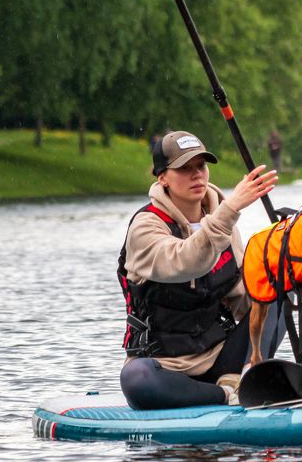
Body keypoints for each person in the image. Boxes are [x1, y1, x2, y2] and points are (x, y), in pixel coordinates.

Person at [117, 130, 281, 410]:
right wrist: (230, 209)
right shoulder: (145, 227)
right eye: (184, 168)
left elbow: (244, 299)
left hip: (221, 359)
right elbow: (186, 262)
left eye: (201, 166)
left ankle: (246, 377)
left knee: (275, 291)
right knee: (136, 379)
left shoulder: (225, 225)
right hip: (163, 368)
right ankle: (224, 395)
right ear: (162, 178)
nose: (196, 175)